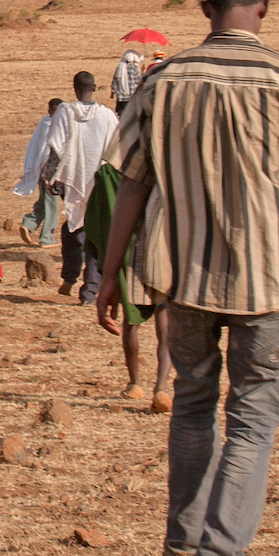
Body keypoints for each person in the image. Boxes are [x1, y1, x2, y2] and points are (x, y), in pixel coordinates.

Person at [97, 0, 279, 556]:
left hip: (183, 277)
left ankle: (184, 537)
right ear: (265, 7)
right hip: (268, 279)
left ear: (205, 10)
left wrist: (113, 273)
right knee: (253, 417)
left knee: (194, 402)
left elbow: (132, 183)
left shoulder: (162, 82)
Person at [81, 132, 172, 409]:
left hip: (127, 252)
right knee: (165, 319)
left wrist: (107, 255)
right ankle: (162, 386)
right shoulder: (167, 164)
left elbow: (98, 215)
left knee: (131, 321)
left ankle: (134, 383)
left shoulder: (110, 173)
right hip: (163, 247)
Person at [38, 71, 118, 303]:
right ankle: (88, 287)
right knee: (94, 229)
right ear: (95, 87)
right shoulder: (108, 115)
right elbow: (117, 148)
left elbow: (55, 146)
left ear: (75, 89)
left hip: (72, 178)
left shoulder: (64, 111)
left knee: (74, 228)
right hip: (100, 180)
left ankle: (74, 279)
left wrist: (50, 178)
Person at [11, 96, 62, 246]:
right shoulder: (53, 126)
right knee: (51, 204)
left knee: (44, 201)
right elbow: (47, 151)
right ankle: (47, 238)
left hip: (41, 170)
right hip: (49, 171)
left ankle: (29, 224)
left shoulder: (44, 122)